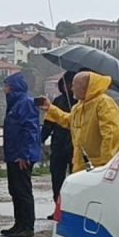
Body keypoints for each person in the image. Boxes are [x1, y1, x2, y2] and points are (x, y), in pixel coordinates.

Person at [45, 70, 119, 174]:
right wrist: (50, 108)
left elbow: (111, 135)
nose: (72, 89)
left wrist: (105, 166)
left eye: (74, 85)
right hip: (82, 165)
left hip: (97, 167)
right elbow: (70, 121)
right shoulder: (79, 106)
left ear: (84, 87)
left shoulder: (104, 103)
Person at [0, 72, 41, 237]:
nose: (4, 89)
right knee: (15, 190)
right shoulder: (15, 104)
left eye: (6, 86)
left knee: (23, 191)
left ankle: (27, 227)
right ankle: (19, 224)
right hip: (13, 154)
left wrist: (24, 155)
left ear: (13, 87)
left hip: (21, 157)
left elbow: (30, 130)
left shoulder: (25, 103)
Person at [41, 71, 77, 219]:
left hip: (75, 146)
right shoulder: (57, 101)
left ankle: (74, 210)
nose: (69, 87)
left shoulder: (82, 103)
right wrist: (40, 140)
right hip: (58, 145)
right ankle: (58, 207)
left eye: (72, 84)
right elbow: (49, 123)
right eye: (66, 83)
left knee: (75, 180)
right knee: (57, 178)